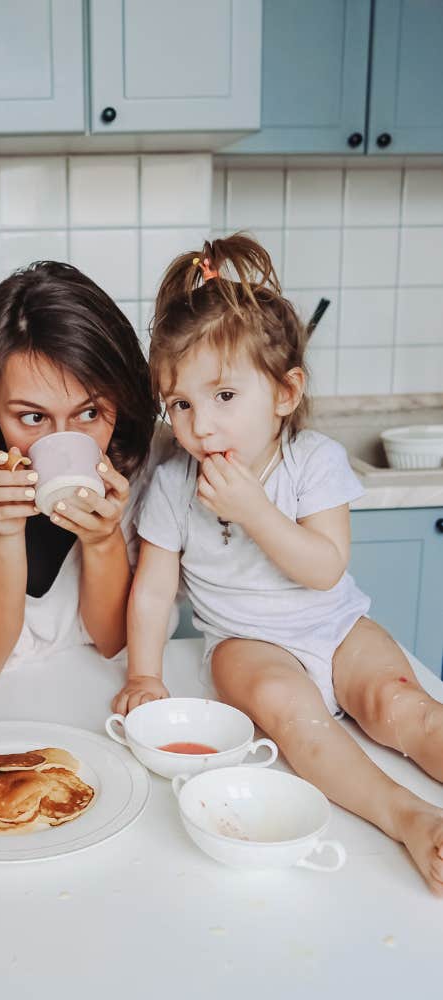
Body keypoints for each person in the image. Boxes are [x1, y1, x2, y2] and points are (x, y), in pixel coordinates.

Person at [117, 232, 443, 894]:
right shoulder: (176, 482)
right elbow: (153, 592)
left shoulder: (313, 460)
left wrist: (255, 511)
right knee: (295, 718)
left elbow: (324, 568)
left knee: (402, 707)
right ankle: (409, 818)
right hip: (245, 642)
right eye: (180, 404)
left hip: (337, 628)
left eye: (224, 397)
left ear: (285, 392)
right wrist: (145, 673)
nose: (201, 426)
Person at [0, 260, 177, 683]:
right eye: (32, 418)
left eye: (89, 412)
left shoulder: (151, 456)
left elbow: (113, 645)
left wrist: (103, 540)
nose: (63, 437)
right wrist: (4, 534)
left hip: (91, 693)